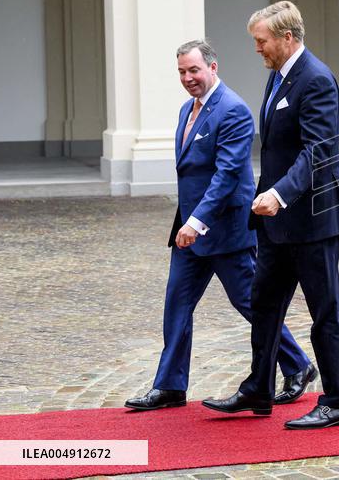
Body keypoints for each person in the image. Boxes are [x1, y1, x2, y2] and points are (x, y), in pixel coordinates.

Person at [126, 41, 315, 412]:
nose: (187, 78)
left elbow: (227, 175)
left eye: (194, 70)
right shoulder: (187, 109)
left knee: (252, 304)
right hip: (189, 231)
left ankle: (298, 365)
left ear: (213, 66)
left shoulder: (233, 110)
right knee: (176, 305)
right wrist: (189, 223)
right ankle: (169, 386)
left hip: (226, 231)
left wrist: (197, 222)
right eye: (181, 71)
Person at [203, 1, 339, 430]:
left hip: (312, 218)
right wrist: (268, 198)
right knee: (264, 304)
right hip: (276, 221)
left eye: (262, 41)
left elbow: (319, 152)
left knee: (325, 311)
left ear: (287, 38)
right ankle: (258, 389)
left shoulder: (317, 80)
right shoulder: (277, 77)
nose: (257, 49)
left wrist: (279, 194)